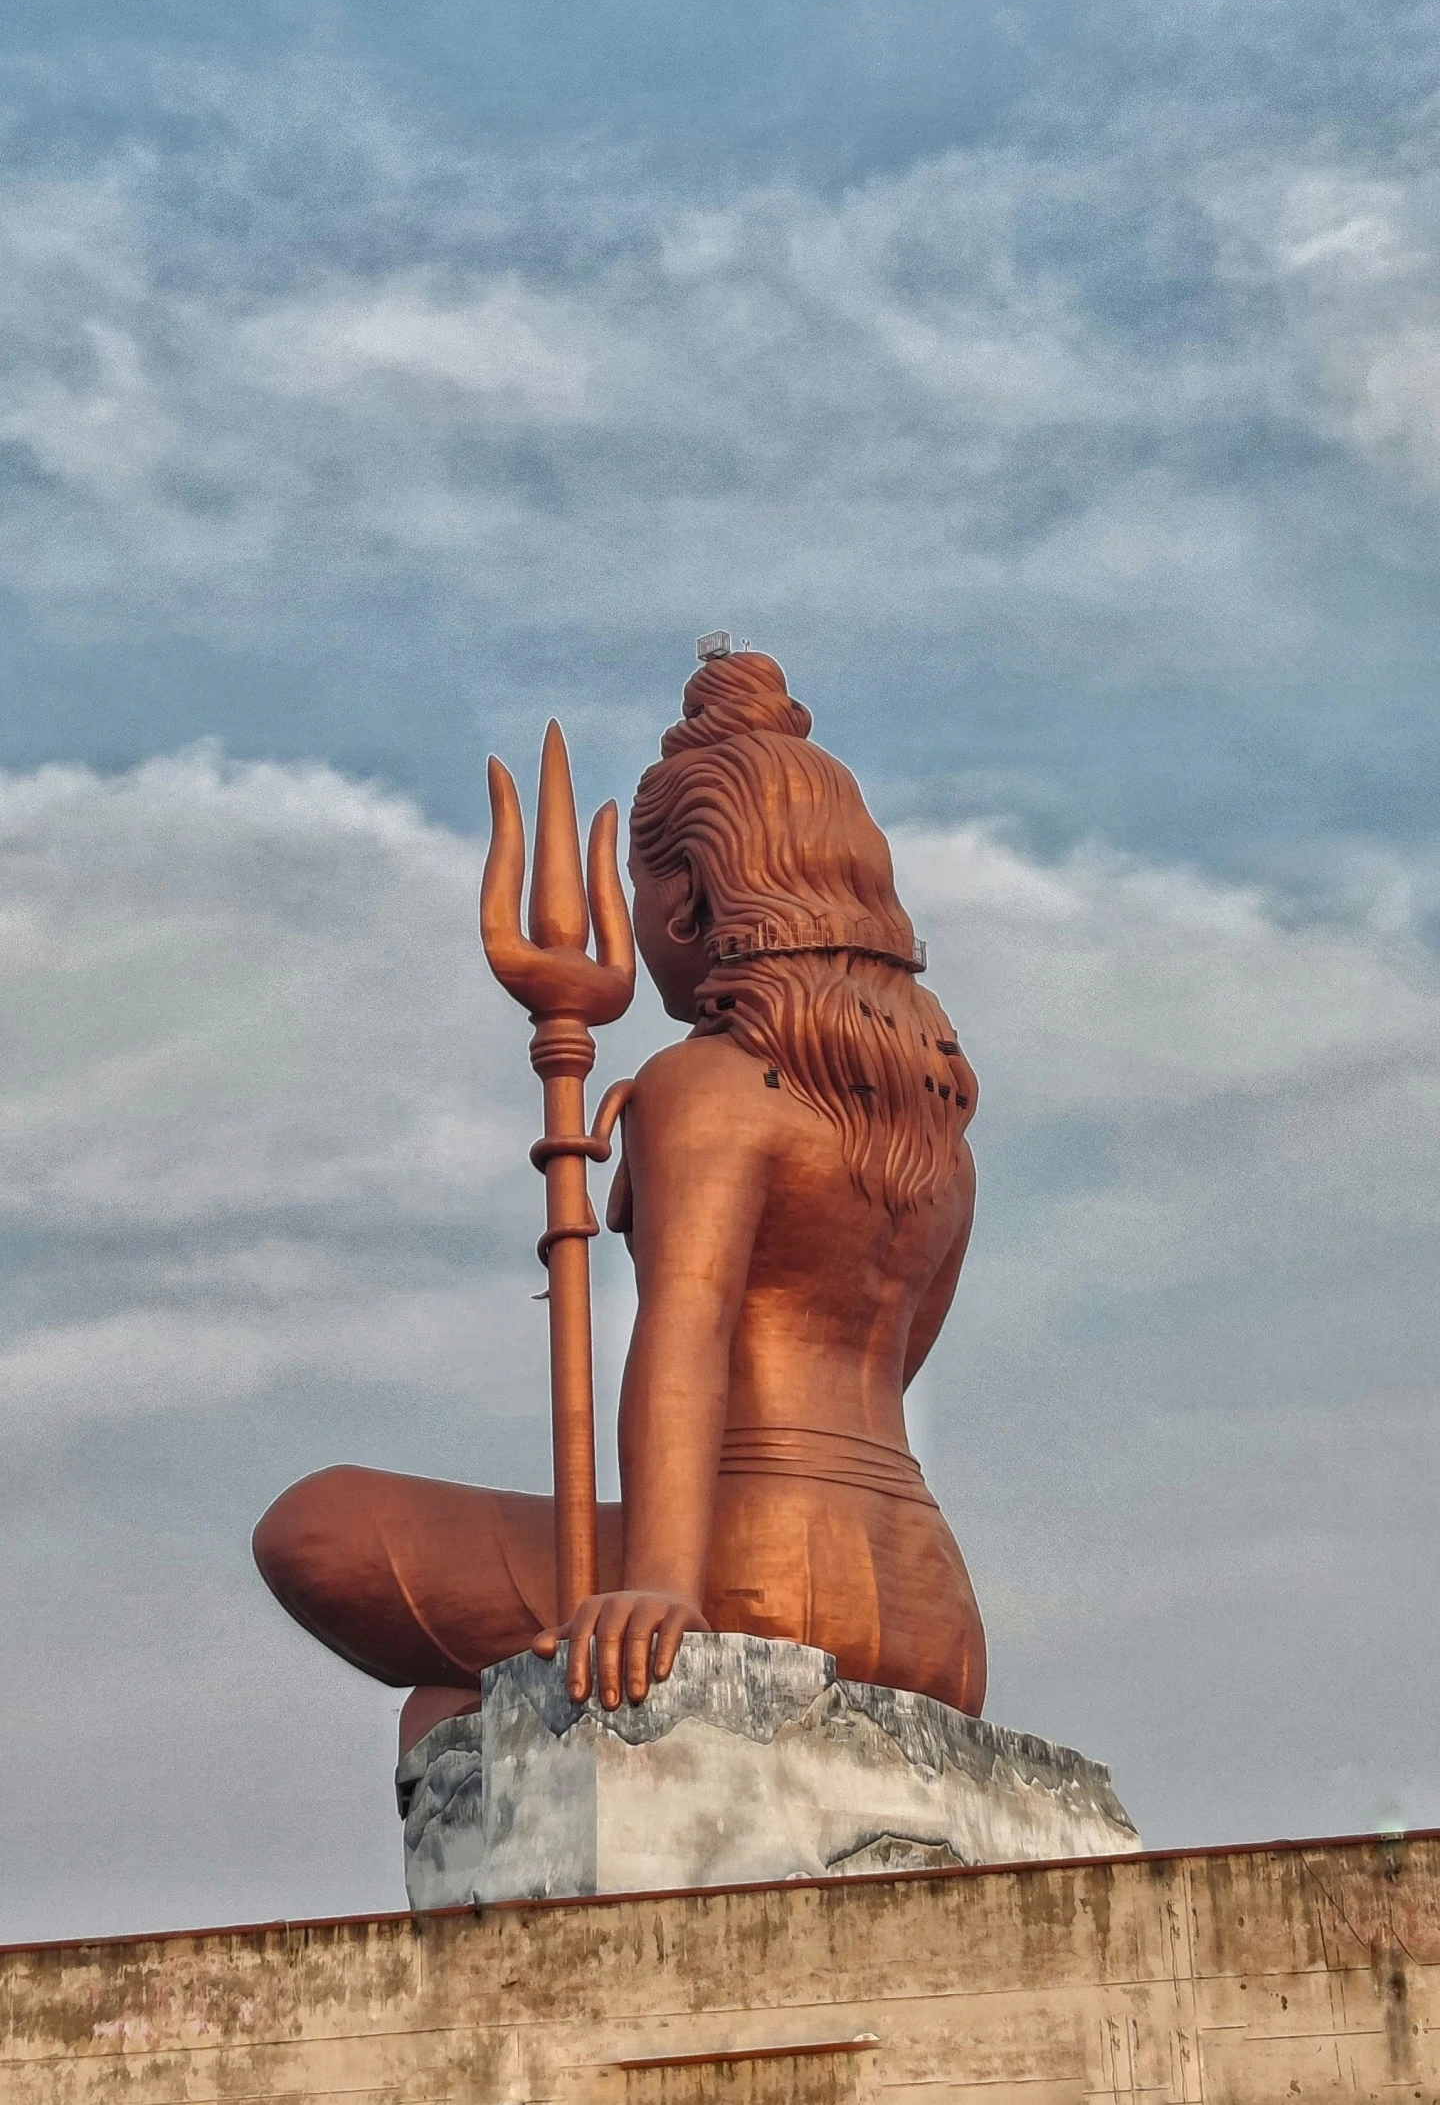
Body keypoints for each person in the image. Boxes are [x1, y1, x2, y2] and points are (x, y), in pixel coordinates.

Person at [253, 653, 985, 1756]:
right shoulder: (933, 1125)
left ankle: (657, 1583)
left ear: (688, 894)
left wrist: (659, 1586)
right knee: (451, 1713)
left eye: (646, 892)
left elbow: (687, 1338)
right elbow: (899, 1370)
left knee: (319, 1524)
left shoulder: (713, 1088)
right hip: (931, 1604)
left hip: (738, 1571)